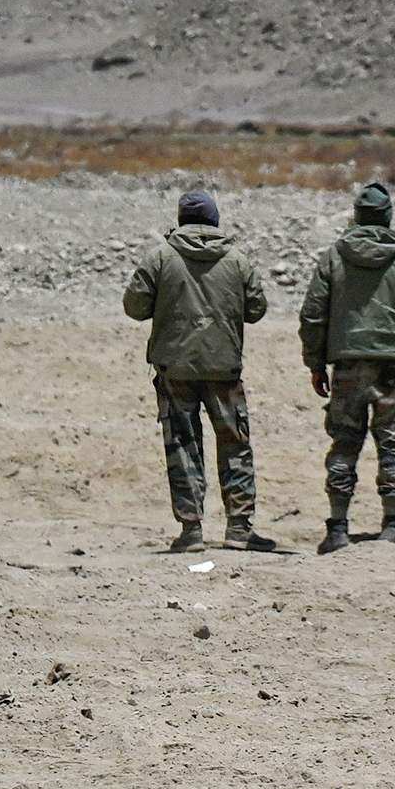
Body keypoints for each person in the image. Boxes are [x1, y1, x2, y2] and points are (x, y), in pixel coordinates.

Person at [123, 186, 272, 551]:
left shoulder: (159, 258)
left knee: (183, 446)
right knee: (235, 445)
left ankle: (191, 530)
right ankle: (238, 528)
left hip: (176, 370)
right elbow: (257, 309)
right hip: (224, 369)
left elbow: (134, 307)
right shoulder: (237, 260)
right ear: (214, 219)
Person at [297, 179, 395, 553]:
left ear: (357, 217)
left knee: (344, 444)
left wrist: (315, 363)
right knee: (391, 445)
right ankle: (391, 526)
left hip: (347, 364)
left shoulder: (334, 256)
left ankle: (338, 529)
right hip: (393, 366)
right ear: (388, 217)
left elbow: (313, 314)